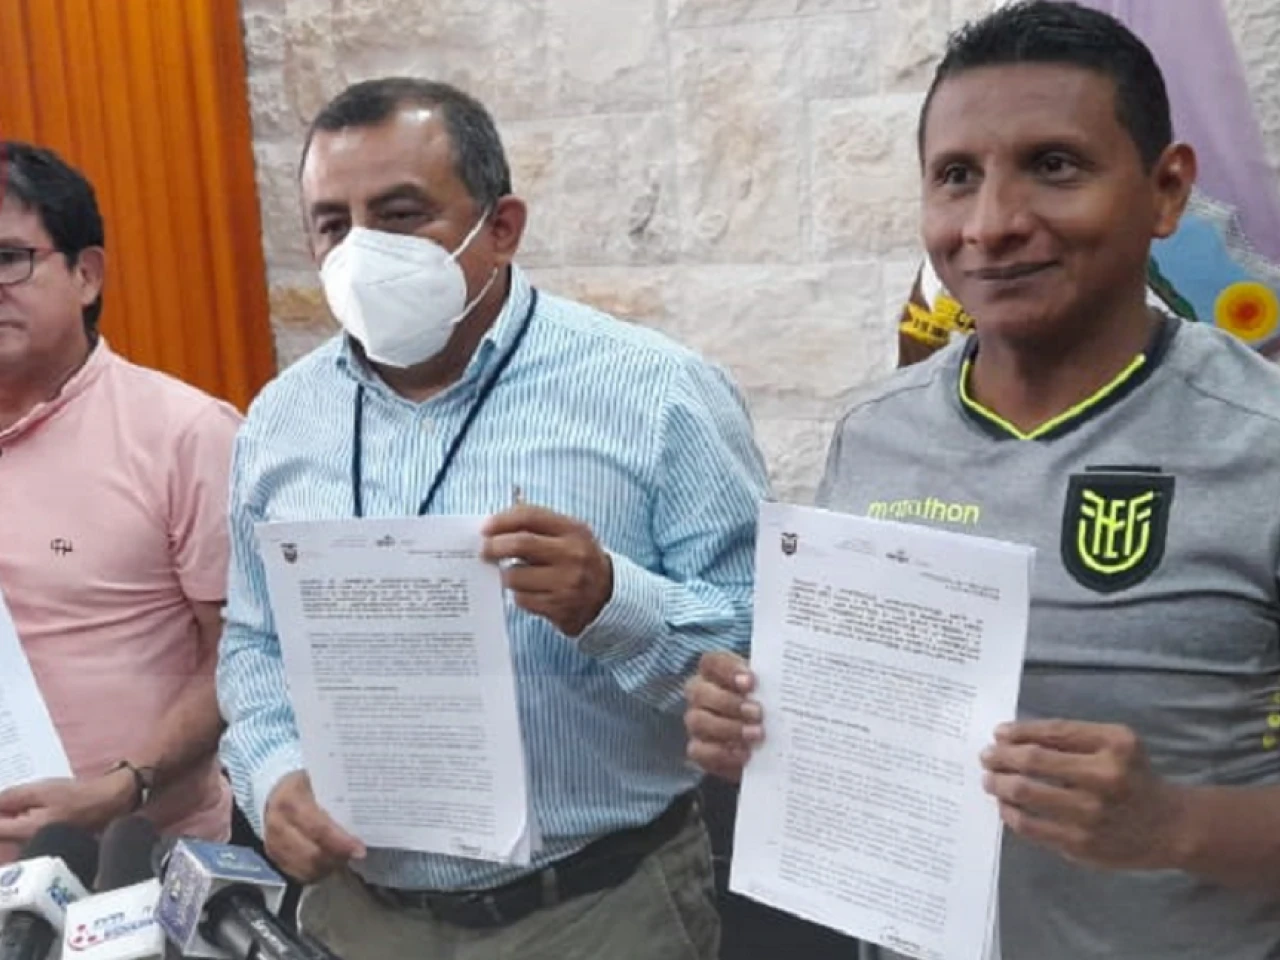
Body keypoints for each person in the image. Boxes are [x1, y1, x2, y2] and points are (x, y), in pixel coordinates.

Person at [685, 3, 1280, 958]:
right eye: (956, 176)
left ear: (1167, 190)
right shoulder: (876, 434)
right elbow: (857, 727)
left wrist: (1176, 825)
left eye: (1055, 165)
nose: (992, 224)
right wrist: (759, 726)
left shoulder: (1262, 442)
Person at [216, 77, 768, 960]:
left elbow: (763, 653)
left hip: (595, 911)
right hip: (360, 912)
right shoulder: (282, 421)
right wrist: (272, 772)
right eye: (332, 224)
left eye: (400, 215)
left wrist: (613, 601)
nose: (361, 251)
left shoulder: (657, 394)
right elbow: (254, 642)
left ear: (502, 227)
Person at [0, 142, 241, 862]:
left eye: (9, 259)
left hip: (135, 863)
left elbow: (245, 650)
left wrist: (125, 785)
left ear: (87, 274)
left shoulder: (185, 434)